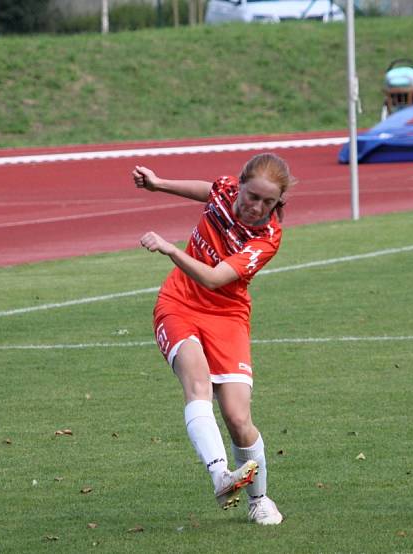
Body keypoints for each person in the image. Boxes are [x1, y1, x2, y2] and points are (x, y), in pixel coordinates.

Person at [133, 153, 296, 525]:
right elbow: (208, 190)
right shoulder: (225, 188)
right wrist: (159, 184)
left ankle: (260, 500)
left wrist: (172, 249)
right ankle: (220, 473)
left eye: (268, 202)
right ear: (239, 185)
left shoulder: (267, 237)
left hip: (228, 316)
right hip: (179, 303)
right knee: (197, 383)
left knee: (239, 418)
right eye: (252, 196)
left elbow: (214, 278)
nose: (257, 207)